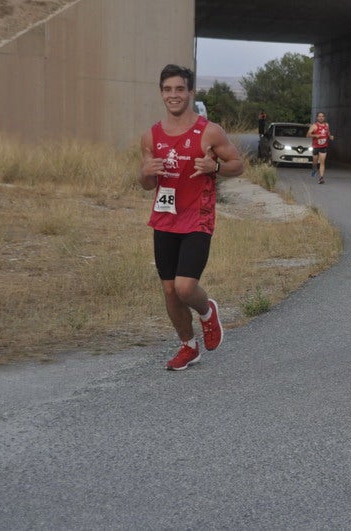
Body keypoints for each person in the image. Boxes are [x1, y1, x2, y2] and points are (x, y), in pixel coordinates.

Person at [139, 64, 243, 371]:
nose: (174, 95)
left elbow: (237, 164)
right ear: (161, 94)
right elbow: (148, 184)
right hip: (164, 219)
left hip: (197, 218)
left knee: (185, 288)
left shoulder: (208, 131)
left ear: (190, 93)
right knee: (169, 291)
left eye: (180, 89)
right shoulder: (151, 136)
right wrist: (144, 174)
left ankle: (207, 312)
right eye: (168, 90)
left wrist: (217, 168)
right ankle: (188, 346)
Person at [307, 111, 333, 184]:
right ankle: (314, 168)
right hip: (315, 146)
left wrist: (330, 136)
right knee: (315, 162)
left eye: (322, 116)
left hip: (323, 146)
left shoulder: (326, 125)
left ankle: (321, 178)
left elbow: (327, 132)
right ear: (317, 117)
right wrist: (315, 135)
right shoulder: (314, 126)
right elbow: (308, 135)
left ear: (324, 117)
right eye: (319, 116)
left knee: (322, 162)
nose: (321, 118)